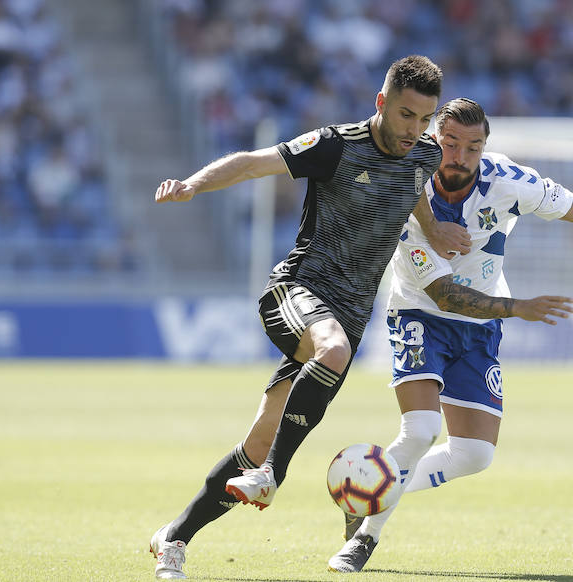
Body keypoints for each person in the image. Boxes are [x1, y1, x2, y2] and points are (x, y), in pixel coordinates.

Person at [327, 97, 573, 573]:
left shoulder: (509, 182)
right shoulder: (407, 190)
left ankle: (369, 489)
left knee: (474, 454)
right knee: (423, 429)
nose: (460, 156)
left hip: (479, 326)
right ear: (434, 139)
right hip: (420, 312)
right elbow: (445, 296)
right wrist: (520, 309)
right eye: (450, 144)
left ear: (485, 147)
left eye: (473, 147)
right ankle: (365, 537)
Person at [148, 56, 472, 580]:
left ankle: (172, 539)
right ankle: (273, 475)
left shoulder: (425, 157)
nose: (415, 129)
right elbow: (253, 163)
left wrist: (436, 233)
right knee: (331, 355)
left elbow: (412, 199)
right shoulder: (335, 145)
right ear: (382, 104)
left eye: (424, 118)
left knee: (256, 441)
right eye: (406, 115)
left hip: (348, 318)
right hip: (295, 292)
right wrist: (191, 185)